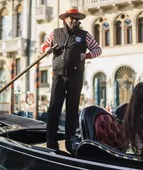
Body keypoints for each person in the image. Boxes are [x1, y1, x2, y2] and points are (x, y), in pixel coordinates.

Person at [40, 7, 102, 153]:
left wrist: (85, 56)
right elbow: (43, 46)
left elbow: (98, 50)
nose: (74, 21)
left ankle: (70, 140)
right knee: (54, 108)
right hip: (59, 75)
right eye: (71, 18)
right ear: (65, 19)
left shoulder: (84, 35)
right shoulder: (55, 33)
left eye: (76, 19)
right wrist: (46, 50)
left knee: (72, 109)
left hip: (76, 76)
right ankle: (51, 141)